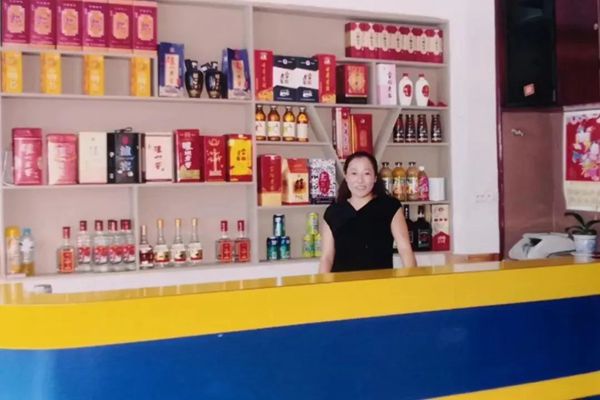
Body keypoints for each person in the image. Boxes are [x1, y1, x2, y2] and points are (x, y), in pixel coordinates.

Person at [319, 151, 416, 273]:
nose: (360, 180)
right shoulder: (333, 212)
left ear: (375, 178)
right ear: (346, 177)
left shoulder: (390, 207)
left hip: (380, 282)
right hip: (342, 283)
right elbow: (327, 258)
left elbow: (405, 249)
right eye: (354, 173)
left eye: (366, 173)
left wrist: (413, 280)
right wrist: (322, 283)